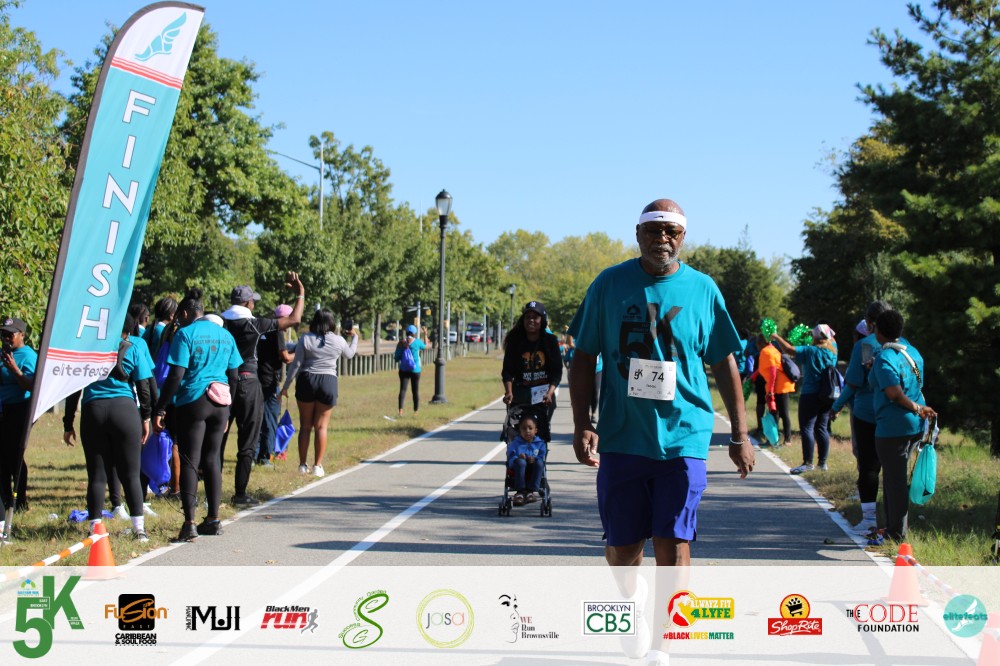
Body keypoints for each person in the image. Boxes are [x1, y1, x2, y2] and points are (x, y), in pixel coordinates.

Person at [568, 199, 753, 663]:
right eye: (654, 230)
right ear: (638, 234)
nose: (662, 239)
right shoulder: (609, 284)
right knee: (622, 550)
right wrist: (582, 423)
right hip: (623, 436)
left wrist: (741, 435)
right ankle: (632, 601)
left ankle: (661, 648)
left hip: (685, 436)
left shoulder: (703, 289)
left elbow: (725, 363)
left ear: (683, 237)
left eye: (671, 231)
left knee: (674, 545)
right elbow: (583, 356)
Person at [153, 289, 242, 542]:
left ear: (185, 314)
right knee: (212, 459)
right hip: (220, 401)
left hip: (193, 401)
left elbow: (176, 375)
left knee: (190, 460)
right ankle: (213, 519)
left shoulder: (185, 334)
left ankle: (190, 523)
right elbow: (234, 375)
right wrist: (229, 410)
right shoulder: (226, 335)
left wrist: (160, 407)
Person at [63, 314, 156, 542]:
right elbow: (144, 386)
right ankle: (139, 530)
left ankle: (94, 528)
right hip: (124, 410)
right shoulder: (133, 347)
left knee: (96, 475)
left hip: (93, 410)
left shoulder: (89, 347)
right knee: (131, 474)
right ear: (127, 330)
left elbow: (74, 388)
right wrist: (146, 417)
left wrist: (68, 422)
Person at [220, 273, 305, 506]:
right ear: (248, 303)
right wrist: (300, 293)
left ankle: (211, 495)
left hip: (222, 383)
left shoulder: (221, 322)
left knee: (217, 440)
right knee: (247, 441)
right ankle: (239, 494)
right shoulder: (255, 324)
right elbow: (294, 319)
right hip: (248, 382)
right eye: (253, 302)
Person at [870, 309, 935, 542]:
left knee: (894, 481)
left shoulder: (885, 358)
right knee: (895, 477)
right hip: (914, 427)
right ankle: (892, 528)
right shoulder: (912, 352)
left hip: (893, 427)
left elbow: (895, 394)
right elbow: (916, 384)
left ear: (878, 330)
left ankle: (896, 533)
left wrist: (916, 408)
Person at [830, 301, 893, 535]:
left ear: (869, 321)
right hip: (895, 414)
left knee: (868, 467)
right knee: (894, 469)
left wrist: (836, 406)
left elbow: (854, 383)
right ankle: (896, 523)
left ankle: (869, 520)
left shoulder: (866, 345)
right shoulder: (906, 346)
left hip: (867, 414)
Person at [282, 309, 358, 478]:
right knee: (321, 426)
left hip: (307, 380)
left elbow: (296, 364)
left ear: (314, 322)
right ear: (331, 323)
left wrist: (286, 386)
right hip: (328, 381)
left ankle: (302, 465)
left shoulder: (306, 338)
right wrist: (355, 337)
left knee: (305, 426)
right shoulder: (338, 340)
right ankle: (317, 466)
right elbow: (350, 354)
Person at [771, 323, 838, 473]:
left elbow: (789, 349)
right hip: (826, 394)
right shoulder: (833, 351)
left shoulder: (809, 351)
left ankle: (808, 463)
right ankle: (822, 464)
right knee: (822, 427)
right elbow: (832, 339)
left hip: (810, 394)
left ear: (815, 336)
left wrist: (776, 337)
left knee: (807, 427)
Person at [501, 301, 562, 442]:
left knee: (539, 436)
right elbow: (507, 371)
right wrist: (509, 392)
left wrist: (550, 393)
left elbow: (556, 372)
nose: (531, 320)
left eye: (535, 317)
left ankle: (539, 452)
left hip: (543, 396)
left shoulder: (550, 341)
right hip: (520, 395)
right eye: (528, 317)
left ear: (542, 320)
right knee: (517, 437)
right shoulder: (515, 341)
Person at [0, 317, 36, 537]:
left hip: (19, 410)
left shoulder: (28, 356)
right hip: (2, 409)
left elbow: (32, 385)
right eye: (3, 334)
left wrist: (15, 369)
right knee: (1, 457)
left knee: (14, 455)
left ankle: (19, 501)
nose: (6, 338)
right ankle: (4, 499)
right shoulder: (2, 353)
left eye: (10, 334)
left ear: (22, 335)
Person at [256, 304, 295, 466]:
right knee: (271, 419)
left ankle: (254, 454)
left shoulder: (262, 329)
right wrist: (300, 353)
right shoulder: (277, 332)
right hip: (270, 382)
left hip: (256, 379)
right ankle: (266, 456)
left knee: (257, 419)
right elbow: (285, 357)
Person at [755, 333, 795, 445]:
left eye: (757, 344)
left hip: (780, 386)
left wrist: (770, 391)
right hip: (779, 385)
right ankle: (773, 439)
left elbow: (773, 371)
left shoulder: (766, 352)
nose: (756, 346)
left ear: (760, 343)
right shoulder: (772, 349)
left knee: (783, 413)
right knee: (774, 413)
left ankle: (787, 440)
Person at [506, 414, 547, 506]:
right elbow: (510, 455)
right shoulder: (516, 443)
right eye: (524, 429)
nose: (527, 431)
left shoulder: (539, 443)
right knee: (521, 462)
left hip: (533, 468)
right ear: (520, 431)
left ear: (535, 430)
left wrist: (535, 458)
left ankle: (531, 491)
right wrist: (518, 457)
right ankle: (520, 491)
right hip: (518, 468)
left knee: (540, 463)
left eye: (530, 428)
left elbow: (541, 456)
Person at [394, 324, 425, 416]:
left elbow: (396, 357)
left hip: (403, 369)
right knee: (415, 391)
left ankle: (400, 410)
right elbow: (425, 346)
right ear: (414, 334)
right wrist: (425, 334)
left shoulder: (401, 343)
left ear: (406, 332)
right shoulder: (417, 342)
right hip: (415, 370)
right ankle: (416, 411)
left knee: (403, 390)